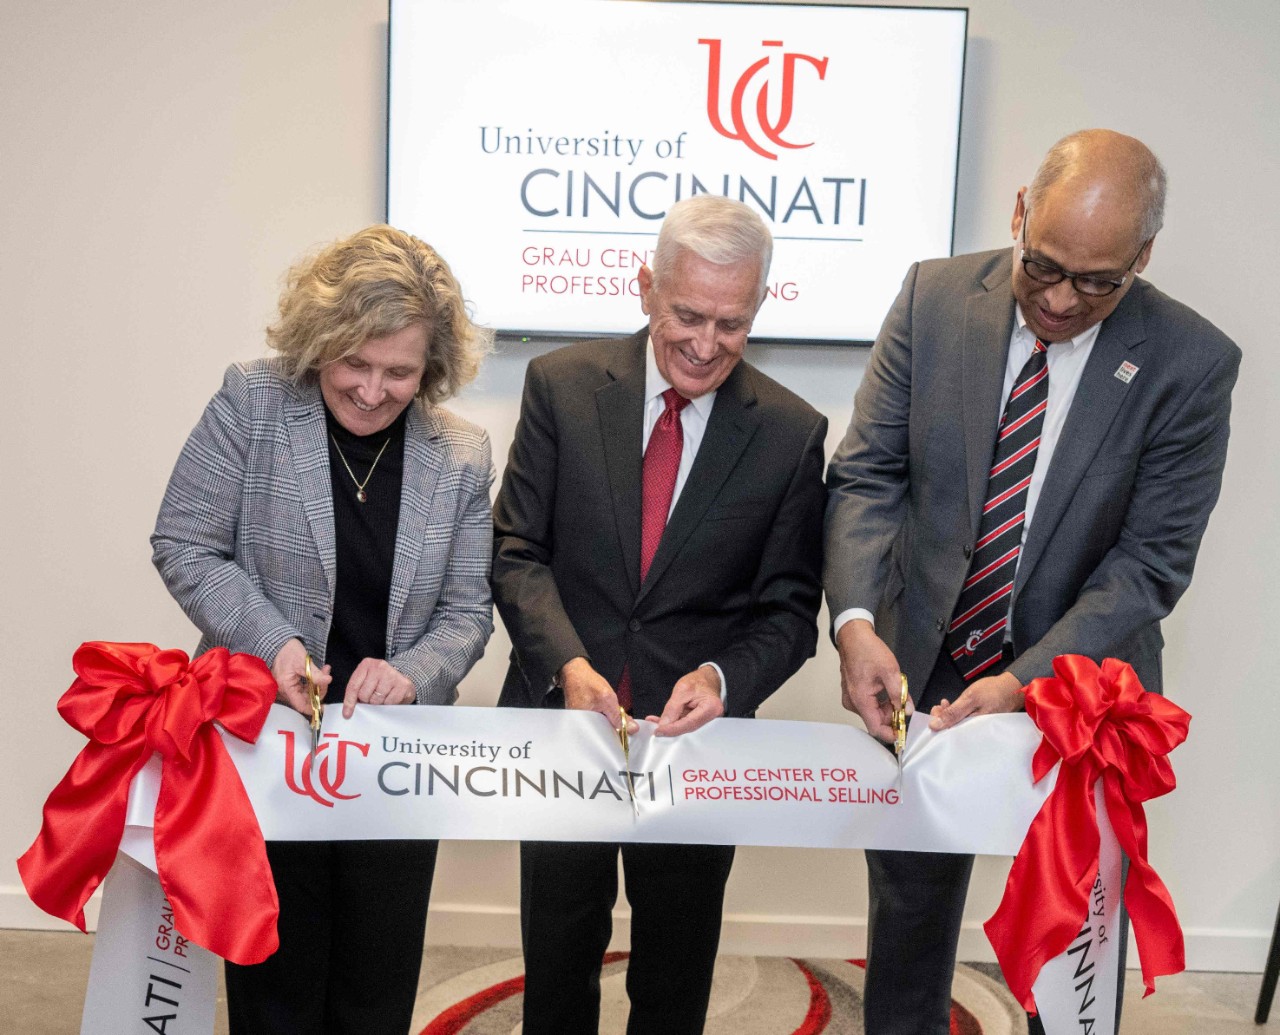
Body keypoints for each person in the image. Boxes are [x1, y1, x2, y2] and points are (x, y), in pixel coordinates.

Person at [823, 128, 1240, 1035]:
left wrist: (1024, 680)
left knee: (1073, 937)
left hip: (1084, 693)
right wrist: (856, 621)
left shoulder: (1191, 362)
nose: (1058, 299)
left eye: (1096, 282)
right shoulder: (935, 299)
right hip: (924, 663)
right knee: (909, 914)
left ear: (1142, 258)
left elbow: (1150, 563)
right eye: (1042, 265)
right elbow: (868, 474)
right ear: (1019, 212)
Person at [492, 194, 827, 1035]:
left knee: (676, 976)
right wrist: (567, 664)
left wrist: (723, 678)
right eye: (687, 314)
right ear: (645, 287)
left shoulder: (790, 432)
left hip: (697, 748)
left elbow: (789, 610)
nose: (706, 344)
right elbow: (517, 551)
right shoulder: (562, 387)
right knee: (558, 963)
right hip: (561, 729)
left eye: (732, 322)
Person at [151, 225, 495, 1034]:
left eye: (400, 371)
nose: (374, 390)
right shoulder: (253, 399)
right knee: (275, 988)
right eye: (356, 363)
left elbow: (467, 611)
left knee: (376, 994)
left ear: (431, 368)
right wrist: (275, 644)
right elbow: (184, 540)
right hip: (264, 745)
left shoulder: (463, 454)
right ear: (319, 342)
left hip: (394, 760)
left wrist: (412, 670)